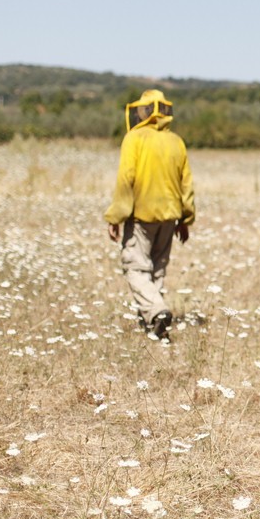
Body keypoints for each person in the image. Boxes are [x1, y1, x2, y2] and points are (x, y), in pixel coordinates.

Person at [104, 89, 195, 341]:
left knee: (135, 267)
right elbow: (186, 184)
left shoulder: (134, 138)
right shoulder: (176, 141)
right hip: (170, 216)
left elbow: (126, 179)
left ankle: (157, 311)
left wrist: (116, 216)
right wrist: (186, 219)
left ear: (142, 111)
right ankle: (154, 323)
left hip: (141, 216)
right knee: (156, 269)